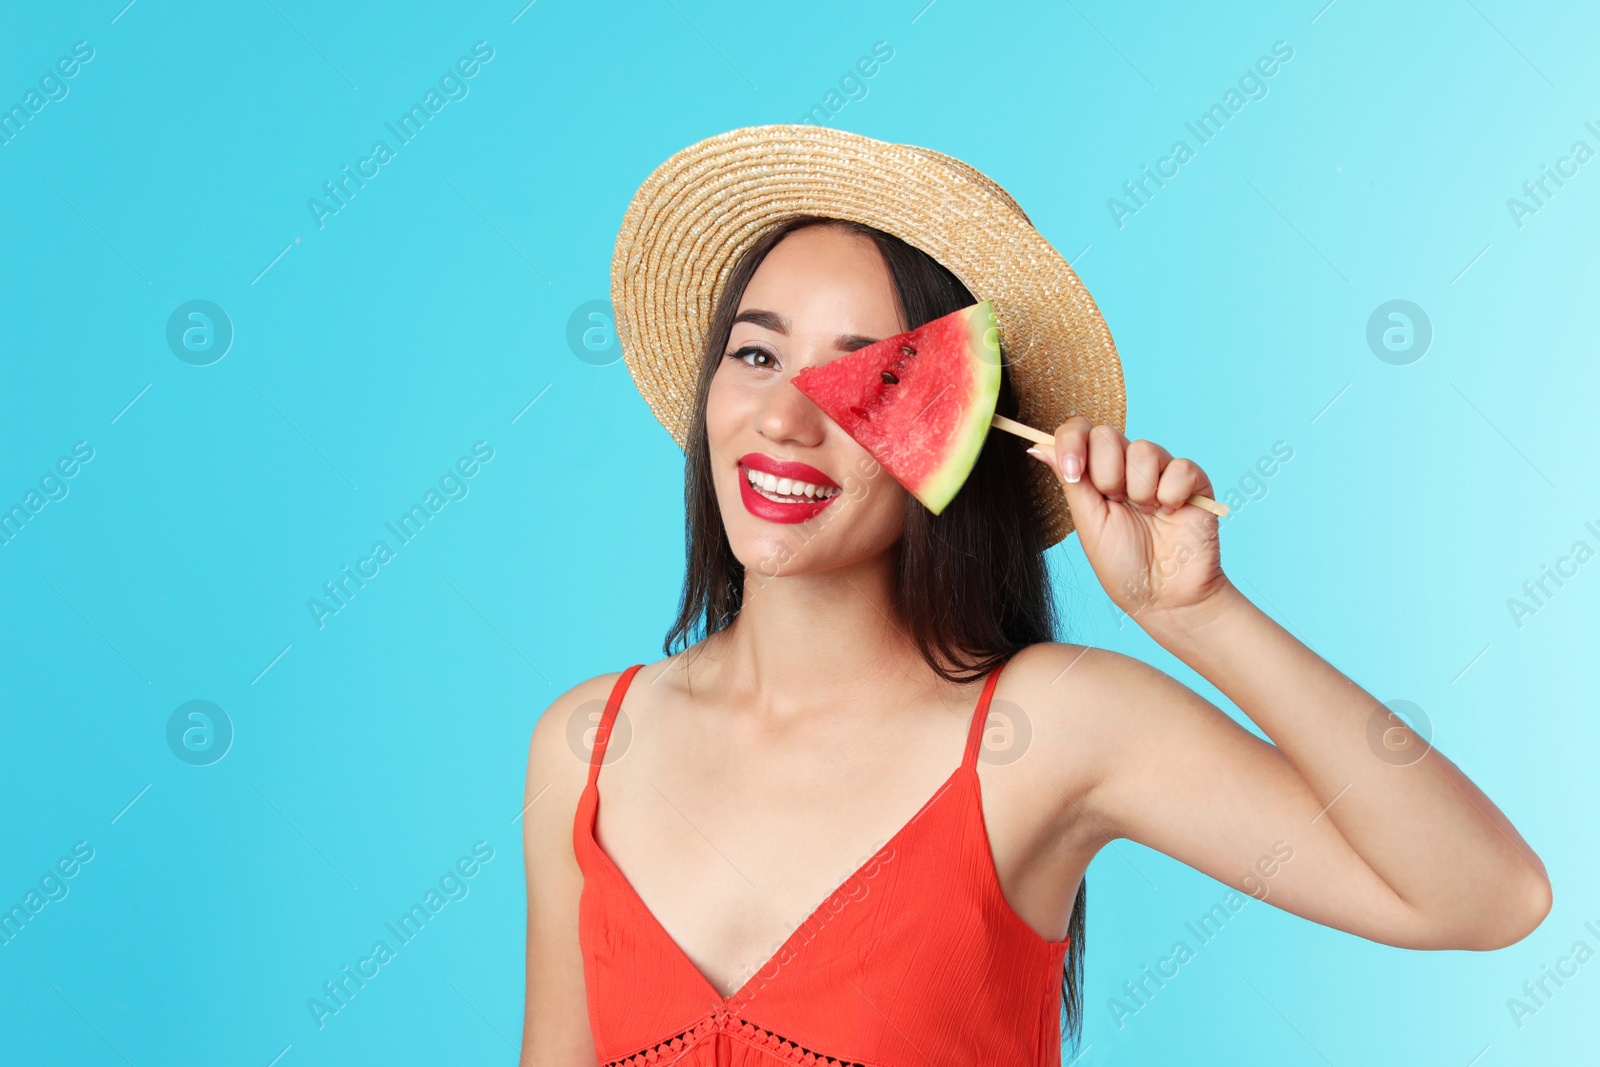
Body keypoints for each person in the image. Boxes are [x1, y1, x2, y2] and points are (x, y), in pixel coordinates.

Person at [519, 126, 1550, 1066]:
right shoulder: (586, 745)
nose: (787, 418)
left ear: (956, 442)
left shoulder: (1050, 725)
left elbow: (1484, 892)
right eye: (755, 352)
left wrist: (1194, 614)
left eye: (871, 381)